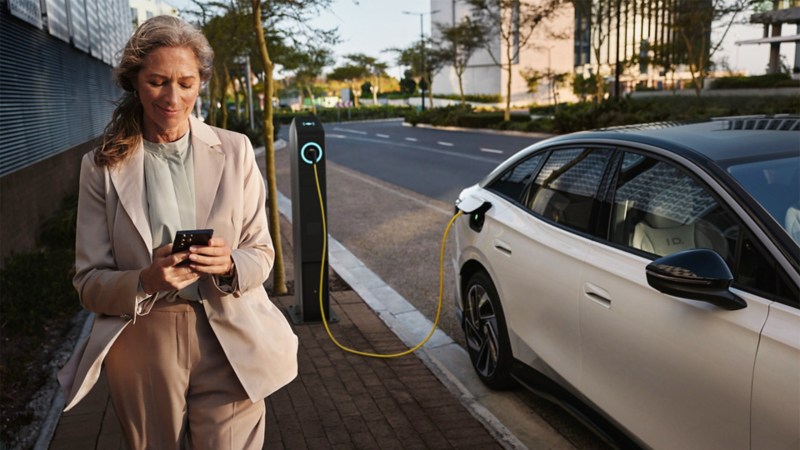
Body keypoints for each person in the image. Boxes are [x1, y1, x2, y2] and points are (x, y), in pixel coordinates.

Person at [57, 16, 298, 449]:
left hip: (231, 333)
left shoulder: (236, 149)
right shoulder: (100, 166)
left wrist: (229, 264)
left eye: (186, 83)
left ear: (201, 82)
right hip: (143, 340)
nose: (173, 97)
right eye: (157, 81)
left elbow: (261, 251)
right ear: (133, 81)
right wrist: (145, 280)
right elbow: (88, 283)